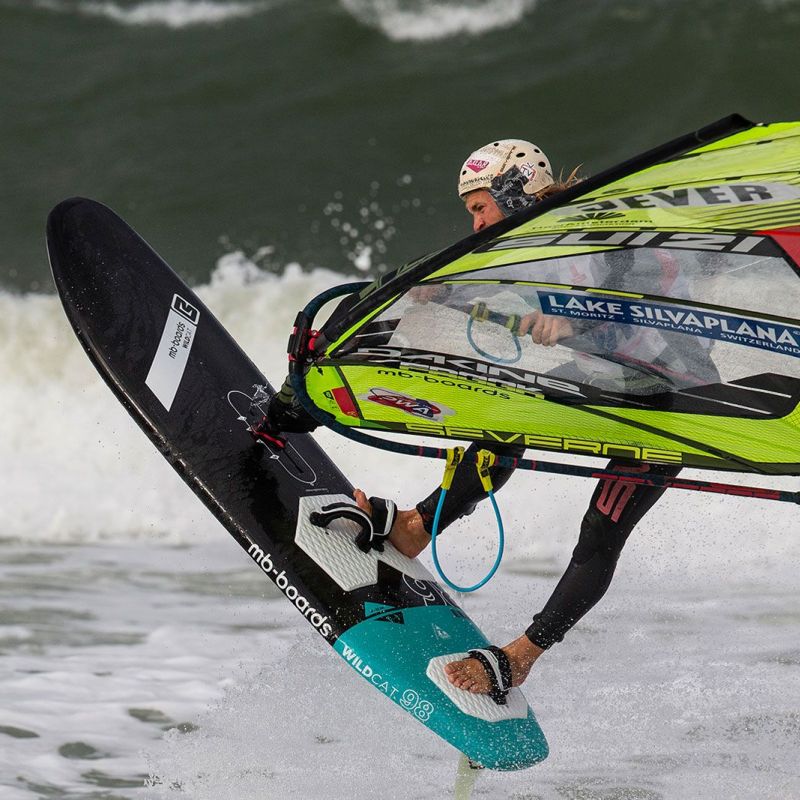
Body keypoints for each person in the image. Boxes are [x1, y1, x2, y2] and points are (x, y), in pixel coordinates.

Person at [261, 139, 686, 704]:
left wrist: (578, 322)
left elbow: (659, 284)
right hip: (605, 382)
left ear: (514, 192)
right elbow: (469, 283)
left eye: (481, 207)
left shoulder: (598, 230)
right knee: (501, 419)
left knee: (602, 530)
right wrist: (432, 289)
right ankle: (417, 526)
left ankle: (522, 655)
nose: (478, 223)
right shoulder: (522, 246)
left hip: (675, 401)